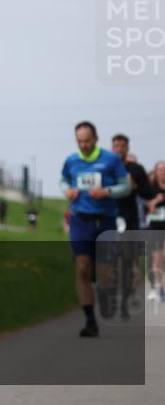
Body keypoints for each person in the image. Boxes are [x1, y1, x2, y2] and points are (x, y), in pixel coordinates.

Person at [60, 121, 131, 337]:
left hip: (106, 220)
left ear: (96, 139)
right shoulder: (72, 161)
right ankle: (90, 321)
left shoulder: (111, 160)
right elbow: (63, 180)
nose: (84, 145)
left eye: (87, 141)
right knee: (82, 268)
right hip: (80, 220)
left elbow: (125, 187)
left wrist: (108, 191)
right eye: (80, 141)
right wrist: (67, 191)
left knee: (104, 273)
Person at [108, 134, 156, 319]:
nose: (119, 149)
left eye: (123, 146)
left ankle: (125, 301)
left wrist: (136, 187)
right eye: (116, 146)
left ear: (127, 149)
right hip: (108, 219)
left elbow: (149, 193)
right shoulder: (106, 167)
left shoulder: (136, 169)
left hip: (130, 221)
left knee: (128, 262)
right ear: (112, 148)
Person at [145, 161, 165, 302]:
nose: (163, 173)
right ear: (156, 172)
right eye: (160, 170)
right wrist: (153, 203)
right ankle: (160, 289)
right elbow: (144, 206)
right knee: (157, 261)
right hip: (155, 227)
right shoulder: (150, 189)